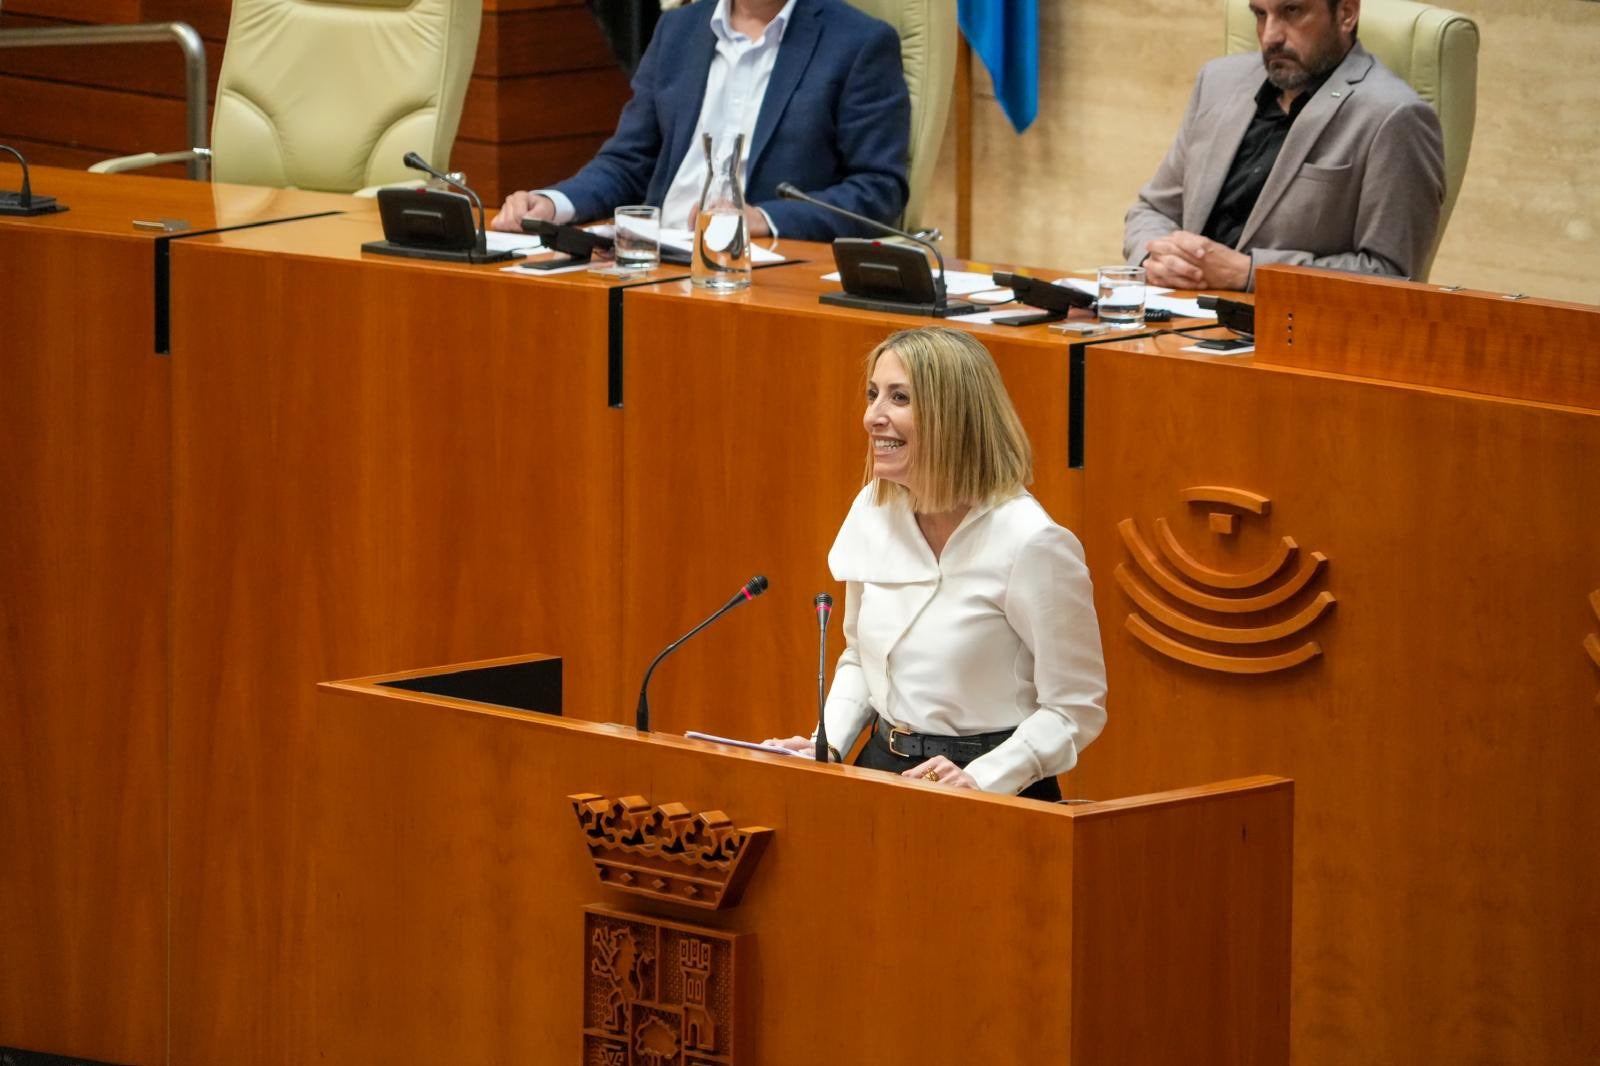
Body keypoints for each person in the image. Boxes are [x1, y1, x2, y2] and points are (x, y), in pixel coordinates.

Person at [768, 328, 1107, 800]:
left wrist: (984, 778)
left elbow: (1075, 707)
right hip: (879, 767)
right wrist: (826, 745)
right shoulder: (874, 508)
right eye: (872, 395)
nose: (872, 417)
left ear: (953, 416)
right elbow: (860, 658)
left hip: (993, 786)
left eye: (898, 397)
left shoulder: (1033, 542)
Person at [488, 0, 909, 241]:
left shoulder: (858, 43)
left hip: (758, 269)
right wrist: (555, 203)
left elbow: (879, 189)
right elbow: (627, 161)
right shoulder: (678, 29)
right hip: (649, 255)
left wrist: (763, 218)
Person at [1123, 0, 1444, 292]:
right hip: (1174, 316)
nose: (1270, 36)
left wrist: (1249, 274)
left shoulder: (1394, 116)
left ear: (1346, 13)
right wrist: (1157, 259)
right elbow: (1152, 210)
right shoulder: (1218, 81)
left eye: (1292, 11)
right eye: (1260, 15)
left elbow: (1393, 277)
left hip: (1290, 335)